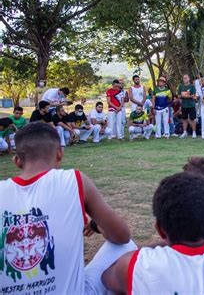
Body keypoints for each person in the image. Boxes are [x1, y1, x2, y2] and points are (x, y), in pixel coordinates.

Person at [0, 122, 135, 293]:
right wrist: (96, 225)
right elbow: (122, 236)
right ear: (60, 153)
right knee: (126, 246)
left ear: (16, 161)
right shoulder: (74, 180)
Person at [178, 74, 198, 138]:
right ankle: (184, 132)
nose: (184, 79)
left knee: (192, 119)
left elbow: (194, 96)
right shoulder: (181, 86)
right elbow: (178, 96)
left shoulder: (192, 86)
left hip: (191, 105)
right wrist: (182, 96)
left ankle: (194, 132)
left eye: (186, 78)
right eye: (184, 78)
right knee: (184, 119)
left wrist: (187, 96)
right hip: (184, 105)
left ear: (189, 79)